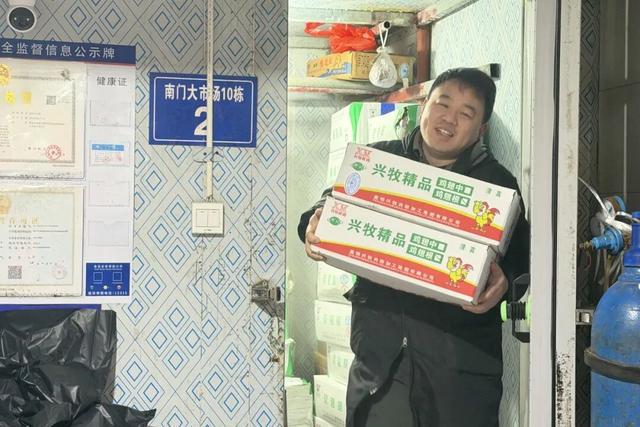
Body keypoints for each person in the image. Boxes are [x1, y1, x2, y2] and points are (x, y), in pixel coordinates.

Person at [298, 68, 530, 427]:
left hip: (459, 376)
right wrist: (315, 222)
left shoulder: (496, 186)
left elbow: (523, 261)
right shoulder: (380, 162)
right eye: (443, 104)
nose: (449, 118)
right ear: (424, 106)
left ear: (481, 129)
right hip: (381, 368)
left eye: (466, 113)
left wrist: (505, 283)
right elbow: (329, 205)